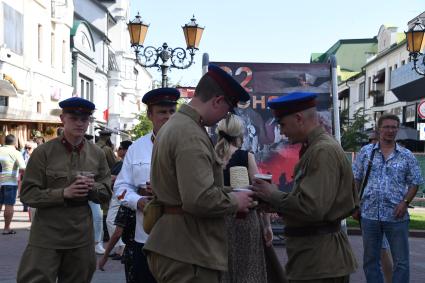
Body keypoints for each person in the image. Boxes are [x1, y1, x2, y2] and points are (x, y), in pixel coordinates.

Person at [143, 64, 255, 283]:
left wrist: (238, 192)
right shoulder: (190, 133)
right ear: (217, 101)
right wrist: (235, 201)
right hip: (188, 252)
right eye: (228, 108)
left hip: (178, 247)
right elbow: (198, 199)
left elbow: (191, 187)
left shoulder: (178, 126)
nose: (226, 115)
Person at [252, 92, 358, 282]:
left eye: (282, 124)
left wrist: (273, 195)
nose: (282, 132)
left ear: (299, 118)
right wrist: (274, 204)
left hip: (320, 263)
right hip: (315, 259)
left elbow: (312, 208)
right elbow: (314, 203)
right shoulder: (316, 148)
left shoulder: (322, 150)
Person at [17, 97, 112, 283]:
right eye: (73, 118)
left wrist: (92, 187)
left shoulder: (97, 154)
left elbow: (106, 193)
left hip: (81, 237)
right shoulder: (43, 152)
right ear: (63, 119)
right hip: (46, 236)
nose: (79, 123)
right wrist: (63, 193)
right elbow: (27, 194)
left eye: (84, 119)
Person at [114, 87, 181, 283]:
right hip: (145, 237)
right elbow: (120, 188)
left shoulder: (188, 144)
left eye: (172, 111)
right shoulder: (136, 148)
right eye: (162, 112)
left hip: (180, 237)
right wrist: (138, 201)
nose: (168, 117)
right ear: (150, 115)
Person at [352, 113, 424, 283]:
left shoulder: (406, 155)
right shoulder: (366, 152)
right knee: (370, 261)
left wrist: (405, 202)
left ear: (397, 130)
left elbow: (415, 182)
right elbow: (356, 178)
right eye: (386, 127)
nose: (390, 130)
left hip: (396, 216)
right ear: (378, 129)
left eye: (393, 127)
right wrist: (355, 204)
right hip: (369, 215)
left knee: (401, 262)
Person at [215, 114, 272, 283]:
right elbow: (260, 191)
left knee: (223, 272)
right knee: (249, 271)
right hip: (245, 221)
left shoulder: (211, 157)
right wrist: (267, 225)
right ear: (240, 134)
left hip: (218, 222)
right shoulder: (246, 156)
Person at [366, 131, 393, 283]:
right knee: (376, 251)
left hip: (384, 211)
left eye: (373, 140)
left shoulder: (390, 158)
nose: (371, 143)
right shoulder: (369, 157)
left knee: (382, 250)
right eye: (370, 140)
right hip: (370, 211)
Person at [105, 140, 133, 259]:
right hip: (117, 194)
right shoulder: (121, 162)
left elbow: (126, 178)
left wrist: (113, 178)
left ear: (126, 150)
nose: (118, 150)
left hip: (121, 195)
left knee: (112, 221)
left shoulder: (127, 162)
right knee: (112, 221)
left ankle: (121, 248)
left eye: (120, 148)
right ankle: (120, 248)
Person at [0, 134, 26, 235]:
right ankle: (6, 228)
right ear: (15, 142)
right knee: (9, 204)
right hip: (10, 182)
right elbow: (23, 168)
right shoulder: (16, 152)